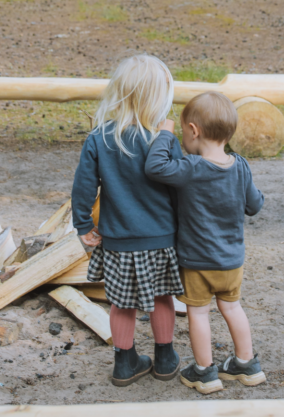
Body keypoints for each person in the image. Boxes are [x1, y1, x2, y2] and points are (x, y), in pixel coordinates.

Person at [71, 54, 183, 387]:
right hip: (161, 239)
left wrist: (82, 225)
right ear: (158, 97)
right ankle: (165, 358)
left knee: (121, 303)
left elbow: (82, 189)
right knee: (162, 298)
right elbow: (179, 191)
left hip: (119, 242)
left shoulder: (99, 139)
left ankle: (124, 364)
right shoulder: (163, 141)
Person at [145, 91, 266, 395]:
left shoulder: (191, 168)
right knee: (232, 307)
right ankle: (246, 364)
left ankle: (204, 372)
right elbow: (254, 206)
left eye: (184, 130)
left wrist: (163, 132)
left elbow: (155, 167)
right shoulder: (240, 166)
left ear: (193, 130)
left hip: (197, 263)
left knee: (199, 314)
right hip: (232, 262)